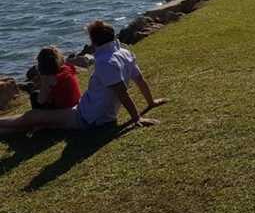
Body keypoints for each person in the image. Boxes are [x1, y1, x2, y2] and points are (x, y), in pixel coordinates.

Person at [0, 21, 166, 136]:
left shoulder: (105, 62)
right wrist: (150, 102)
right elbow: (140, 80)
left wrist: (137, 118)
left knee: (32, 117)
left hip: (87, 118)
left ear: (93, 42)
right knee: (36, 122)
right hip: (88, 112)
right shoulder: (124, 53)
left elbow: (122, 93)